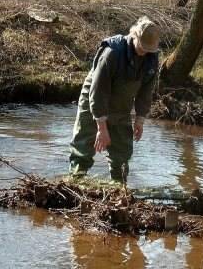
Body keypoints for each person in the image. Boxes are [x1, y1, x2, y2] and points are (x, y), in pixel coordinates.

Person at [69, 16, 160, 182]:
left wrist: (140, 119)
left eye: (149, 49)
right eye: (142, 46)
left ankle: (119, 188)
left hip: (121, 106)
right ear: (134, 36)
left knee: (122, 153)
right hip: (93, 102)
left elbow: (146, 91)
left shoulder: (152, 59)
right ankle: (76, 182)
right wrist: (101, 128)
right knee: (83, 147)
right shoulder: (111, 53)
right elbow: (98, 92)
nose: (145, 51)